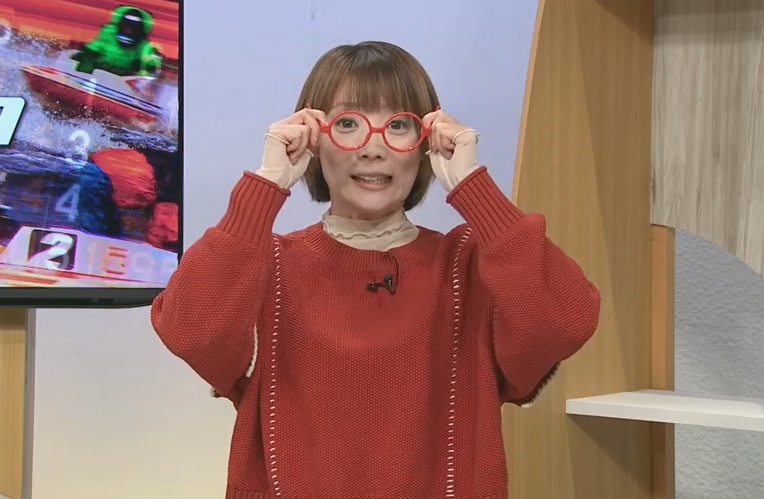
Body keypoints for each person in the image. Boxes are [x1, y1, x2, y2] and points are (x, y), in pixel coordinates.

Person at [150, 41, 601, 498]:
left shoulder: (468, 264)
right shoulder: (268, 265)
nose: (373, 148)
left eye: (399, 125)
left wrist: (474, 188)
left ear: (425, 143)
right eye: (348, 123)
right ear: (313, 137)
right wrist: (266, 184)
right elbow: (191, 332)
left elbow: (565, 321)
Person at [71, 5, 162, 77]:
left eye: (134, 26)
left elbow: (150, 67)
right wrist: (84, 72)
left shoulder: (143, 44)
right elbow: (91, 51)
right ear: (121, 22)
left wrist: (149, 66)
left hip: (124, 79)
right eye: (127, 24)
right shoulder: (109, 33)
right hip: (100, 73)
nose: (129, 28)